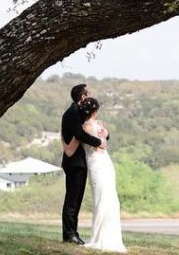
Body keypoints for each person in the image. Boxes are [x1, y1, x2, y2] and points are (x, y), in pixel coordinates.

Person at [63, 97, 126, 252]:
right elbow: (101, 146)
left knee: (104, 197)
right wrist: (103, 137)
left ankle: (102, 236)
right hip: (101, 164)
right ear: (95, 111)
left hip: (98, 165)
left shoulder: (87, 126)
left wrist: (105, 135)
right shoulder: (90, 127)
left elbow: (101, 141)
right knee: (105, 197)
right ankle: (104, 237)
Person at [60, 84, 107, 245]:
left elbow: (90, 128)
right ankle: (69, 234)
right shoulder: (72, 113)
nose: (89, 96)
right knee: (72, 200)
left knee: (77, 199)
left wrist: (102, 135)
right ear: (82, 96)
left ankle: (72, 233)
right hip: (74, 163)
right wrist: (98, 142)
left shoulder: (79, 113)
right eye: (88, 93)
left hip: (81, 162)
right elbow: (80, 134)